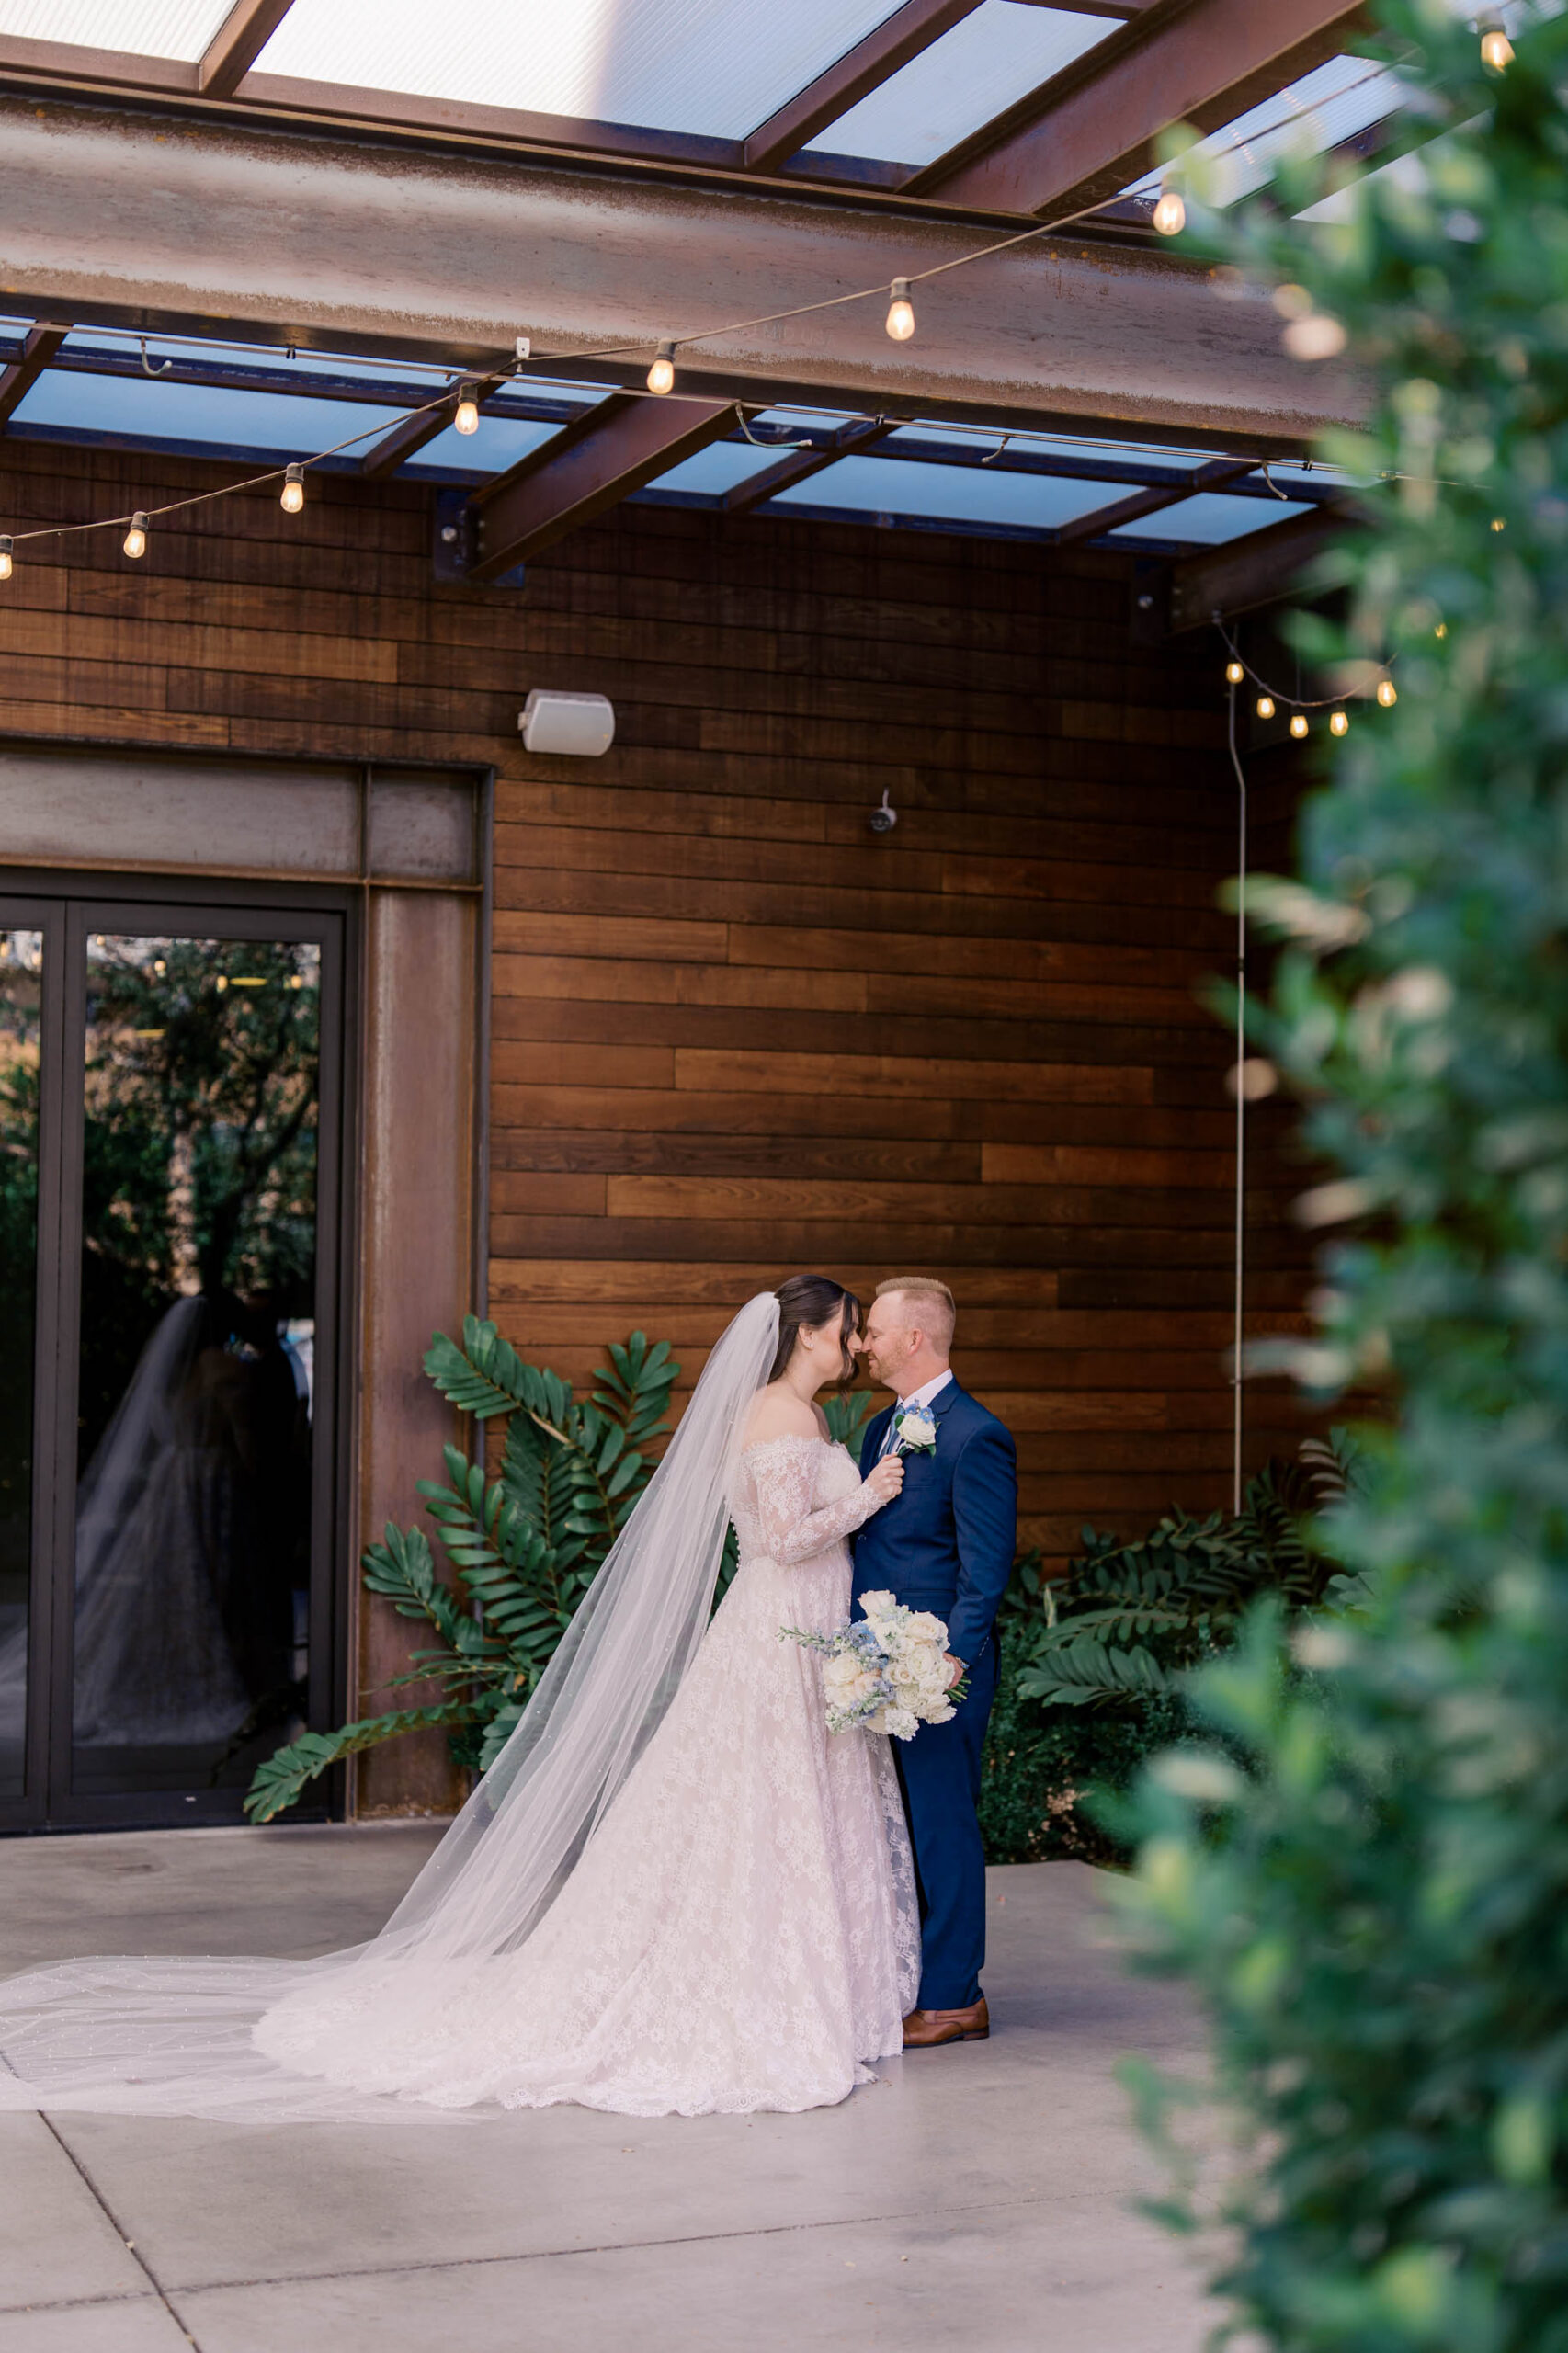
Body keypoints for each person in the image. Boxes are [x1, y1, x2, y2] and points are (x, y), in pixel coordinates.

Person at [0, 1278, 918, 2121]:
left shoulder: (794, 1412)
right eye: (846, 1329)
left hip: (803, 1634)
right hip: (776, 1628)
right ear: (805, 1332)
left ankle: (804, 1977)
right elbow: (783, 1539)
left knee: (781, 1809)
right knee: (758, 1808)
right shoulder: (776, 1417)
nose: (854, 1346)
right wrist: (867, 1497)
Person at [852, 1277, 1018, 2050]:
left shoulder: (974, 1434)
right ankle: (909, 1977)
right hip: (873, 1661)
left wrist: (950, 1660)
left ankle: (955, 1998)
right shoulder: (877, 1427)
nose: (864, 1342)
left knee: (943, 1825)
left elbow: (985, 1569)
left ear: (914, 1338)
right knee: (896, 1824)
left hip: (938, 1671)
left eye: (876, 1330)